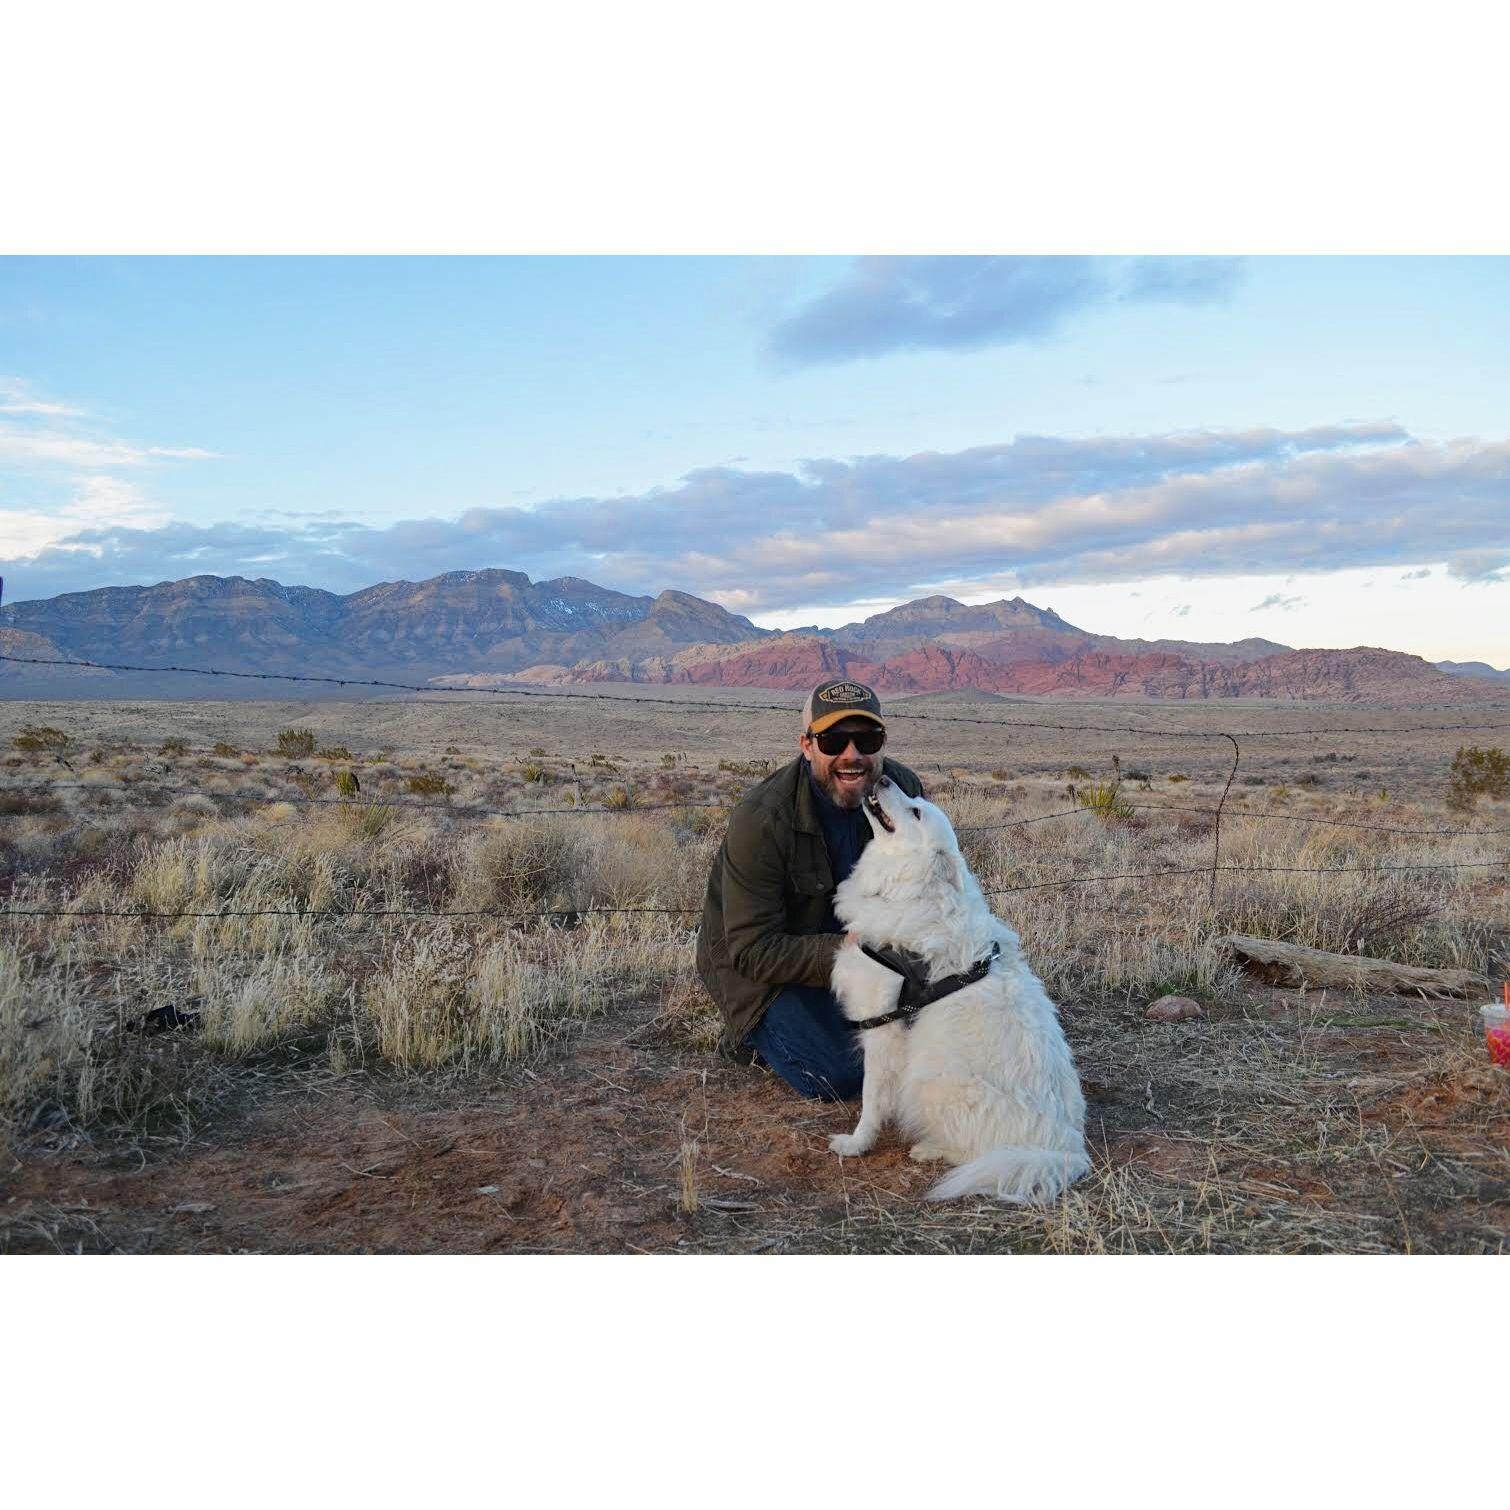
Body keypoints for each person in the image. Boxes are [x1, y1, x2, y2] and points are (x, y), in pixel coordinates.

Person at [695, 677, 924, 1100]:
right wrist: (851, 950)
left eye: (867, 739)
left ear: (883, 742)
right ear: (807, 745)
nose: (852, 755)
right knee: (842, 1075)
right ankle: (752, 1033)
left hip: (863, 955)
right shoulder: (763, 818)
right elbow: (751, 951)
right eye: (834, 740)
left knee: (937, 1034)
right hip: (768, 973)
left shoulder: (903, 791)